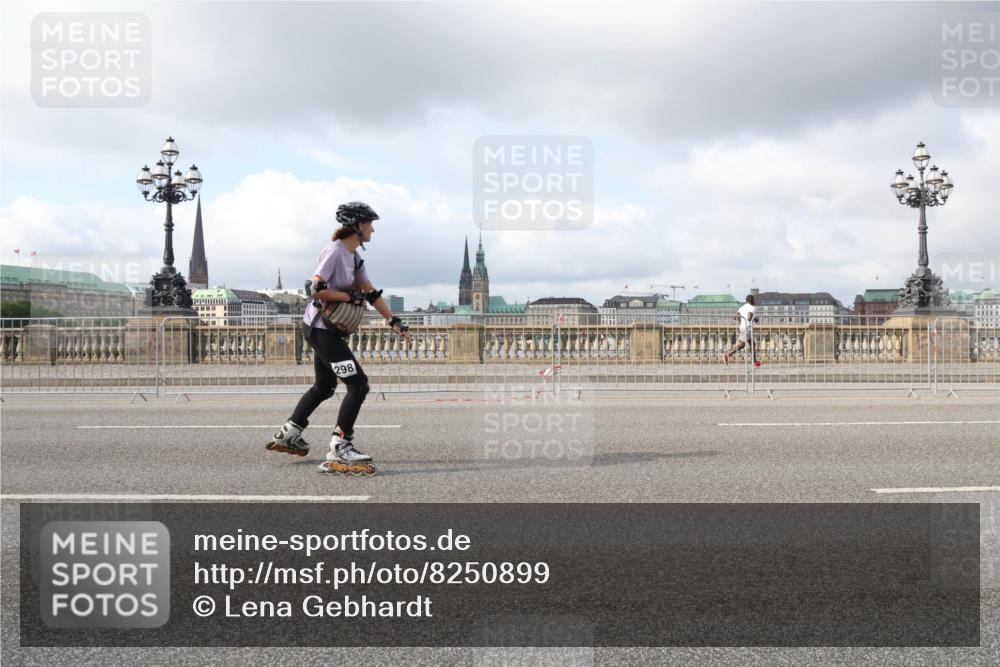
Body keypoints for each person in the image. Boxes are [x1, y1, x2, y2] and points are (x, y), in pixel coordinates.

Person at [265, 201, 411, 475]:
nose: (373, 231)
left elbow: (371, 293)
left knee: (324, 387)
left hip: (327, 330)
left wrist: (394, 321)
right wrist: (347, 296)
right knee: (358, 385)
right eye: (370, 224)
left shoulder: (354, 257)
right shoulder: (334, 252)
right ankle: (341, 445)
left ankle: (289, 432)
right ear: (357, 225)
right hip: (321, 328)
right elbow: (315, 289)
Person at [723, 294, 760, 367]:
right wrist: (755, 319)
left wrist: (743, 321)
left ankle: (755, 362)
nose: (754, 301)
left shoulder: (742, 307)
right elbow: (749, 318)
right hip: (747, 328)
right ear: (751, 300)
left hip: (743, 327)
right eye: (754, 300)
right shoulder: (752, 307)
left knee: (752, 344)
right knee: (741, 345)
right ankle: (727, 355)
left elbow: (735, 317)